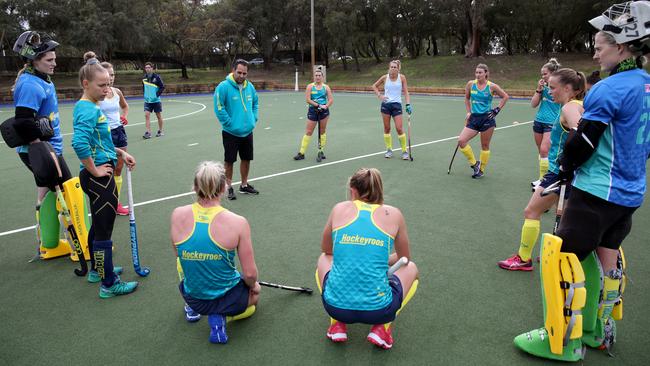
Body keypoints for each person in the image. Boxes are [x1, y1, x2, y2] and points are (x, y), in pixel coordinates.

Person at [514, 1, 650, 361]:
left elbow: (583, 142)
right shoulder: (646, 85)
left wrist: (558, 173)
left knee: (561, 259)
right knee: (606, 260)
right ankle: (598, 330)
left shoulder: (609, 88)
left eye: (600, 44)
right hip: (630, 194)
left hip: (595, 194)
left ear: (620, 47)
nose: (594, 50)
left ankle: (561, 341)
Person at [316, 168, 419, 350]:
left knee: (324, 259)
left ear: (353, 190)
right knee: (411, 268)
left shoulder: (339, 208)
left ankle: (337, 323)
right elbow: (404, 259)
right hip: (379, 310)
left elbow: (327, 249)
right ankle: (382, 327)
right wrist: (377, 257)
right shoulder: (394, 214)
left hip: (335, 307)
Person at [498, 68, 585, 271]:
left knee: (531, 211)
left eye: (553, 88)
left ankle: (523, 258)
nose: (550, 91)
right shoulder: (578, 104)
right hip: (571, 172)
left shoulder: (569, 108)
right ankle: (555, 254)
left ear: (568, 88)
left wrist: (567, 161)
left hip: (559, 172)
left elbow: (581, 133)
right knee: (564, 216)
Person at [171, 161, 260, 344]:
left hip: (194, 298)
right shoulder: (238, 222)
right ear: (223, 188)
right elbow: (250, 274)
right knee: (255, 296)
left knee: (183, 260)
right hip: (229, 299)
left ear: (195, 187)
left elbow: (178, 255)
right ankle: (221, 317)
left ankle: (191, 308)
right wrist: (254, 286)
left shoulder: (177, 214)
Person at [71, 57, 138, 298]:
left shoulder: (90, 105)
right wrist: (96, 170)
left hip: (101, 170)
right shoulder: (88, 108)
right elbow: (79, 143)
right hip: (99, 177)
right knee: (104, 230)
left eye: (108, 84)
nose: (106, 90)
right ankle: (108, 283)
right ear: (86, 83)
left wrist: (120, 152)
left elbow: (99, 141)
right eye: (101, 85)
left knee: (98, 226)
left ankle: (96, 270)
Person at [10, 31, 75, 259]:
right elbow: (23, 121)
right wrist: (42, 149)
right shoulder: (30, 84)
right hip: (42, 151)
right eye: (49, 60)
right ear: (34, 60)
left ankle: (49, 245)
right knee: (69, 192)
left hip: (47, 149)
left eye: (54, 59)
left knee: (47, 194)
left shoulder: (41, 79)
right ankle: (79, 246)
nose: (54, 63)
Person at [214, 59, 259, 200]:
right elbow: (219, 107)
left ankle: (244, 185)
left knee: (246, 159)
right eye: (239, 72)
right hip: (231, 132)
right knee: (229, 161)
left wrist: (254, 118)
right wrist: (229, 123)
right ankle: (228, 187)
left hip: (247, 131)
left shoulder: (250, 87)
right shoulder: (223, 87)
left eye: (244, 73)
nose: (241, 76)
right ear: (233, 70)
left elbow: (255, 103)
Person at [91, 55, 131, 216]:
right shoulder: (97, 95)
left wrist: (124, 116)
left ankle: (116, 202)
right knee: (106, 167)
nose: (111, 78)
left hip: (119, 132)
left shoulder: (117, 92)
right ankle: (104, 200)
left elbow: (124, 106)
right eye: (108, 75)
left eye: (113, 74)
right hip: (103, 135)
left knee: (119, 168)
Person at [457, 63, 509, 178]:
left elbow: (505, 96)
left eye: (480, 72)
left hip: (487, 118)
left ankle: (481, 170)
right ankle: (475, 164)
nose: (477, 75)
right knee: (461, 141)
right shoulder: (471, 84)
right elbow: (466, 98)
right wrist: (469, 112)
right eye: (476, 72)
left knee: (485, 146)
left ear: (486, 73)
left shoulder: (492, 86)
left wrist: (497, 110)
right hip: (474, 118)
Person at [530, 58, 562, 188]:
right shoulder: (542, 87)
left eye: (545, 74)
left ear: (553, 73)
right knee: (541, 152)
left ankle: (545, 181)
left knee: (545, 150)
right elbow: (533, 104)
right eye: (542, 74)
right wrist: (538, 89)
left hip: (551, 122)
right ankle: (542, 178)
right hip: (539, 121)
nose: (543, 76)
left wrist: (551, 89)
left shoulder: (559, 87)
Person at [372, 60, 412, 160]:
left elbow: (406, 92)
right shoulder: (385, 77)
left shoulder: (402, 78)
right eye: (392, 67)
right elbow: (374, 86)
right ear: (389, 67)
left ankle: (404, 151)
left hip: (397, 105)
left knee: (399, 128)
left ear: (398, 68)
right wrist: (379, 95)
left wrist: (408, 104)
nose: (393, 68)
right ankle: (389, 150)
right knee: (387, 128)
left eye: (395, 67)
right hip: (386, 105)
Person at [293, 69, 334, 161]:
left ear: (322, 77)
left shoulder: (326, 87)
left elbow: (331, 100)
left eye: (319, 75)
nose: (318, 77)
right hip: (313, 111)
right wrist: (318, 105)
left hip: (324, 112)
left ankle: (321, 151)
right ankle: (301, 153)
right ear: (314, 77)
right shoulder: (310, 87)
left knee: (322, 131)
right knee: (308, 131)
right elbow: (308, 99)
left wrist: (325, 106)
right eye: (316, 75)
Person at [142, 62, 165, 139]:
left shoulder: (157, 77)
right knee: (146, 115)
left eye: (149, 67)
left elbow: (162, 87)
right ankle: (148, 132)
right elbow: (144, 87)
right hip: (147, 101)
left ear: (152, 68)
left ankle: (160, 131)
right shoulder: (144, 77)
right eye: (146, 68)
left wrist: (156, 95)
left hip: (156, 101)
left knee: (158, 116)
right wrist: (145, 95)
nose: (147, 69)